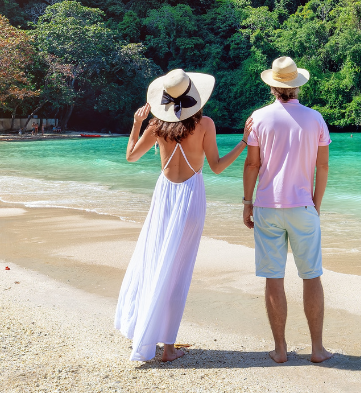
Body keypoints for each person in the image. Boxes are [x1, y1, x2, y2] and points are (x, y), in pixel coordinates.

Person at [116, 69, 252, 362]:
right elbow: (216, 166)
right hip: (191, 197)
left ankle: (151, 336)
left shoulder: (155, 126)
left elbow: (130, 156)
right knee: (178, 272)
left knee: (154, 261)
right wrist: (242, 142)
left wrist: (137, 124)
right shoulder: (205, 124)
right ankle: (167, 348)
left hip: (164, 196)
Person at [242, 56, 333, 364]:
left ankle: (280, 350)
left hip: (267, 206)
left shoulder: (258, 118)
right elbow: (322, 166)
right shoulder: (316, 118)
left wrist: (247, 202)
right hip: (303, 207)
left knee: (273, 278)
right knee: (311, 277)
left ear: (272, 87)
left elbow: (253, 164)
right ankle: (317, 350)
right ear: (297, 87)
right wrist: (316, 203)